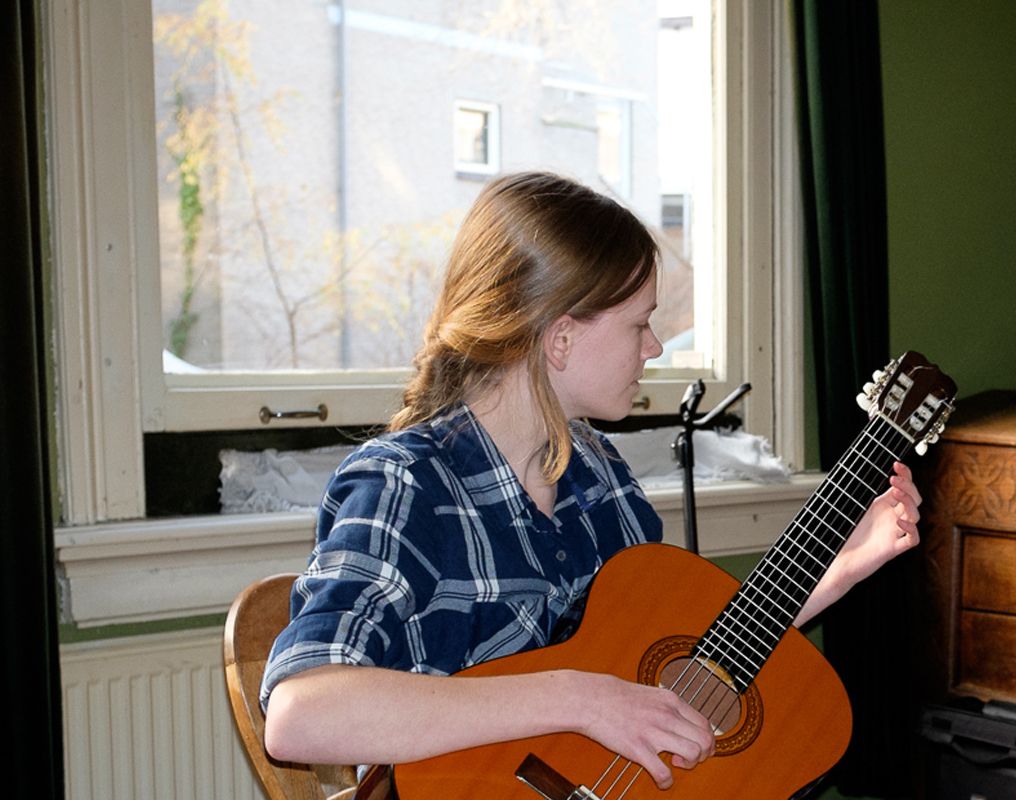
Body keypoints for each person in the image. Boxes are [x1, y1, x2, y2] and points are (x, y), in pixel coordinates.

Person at [259, 171, 923, 791]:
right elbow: (300, 716)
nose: (654, 348)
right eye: (639, 324)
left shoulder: (599, 473)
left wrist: (840, 567)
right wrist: (577, 696)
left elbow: (687, 659)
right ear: (561, 341)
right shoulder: (407, 484)